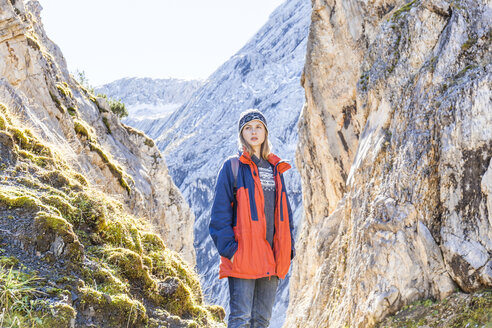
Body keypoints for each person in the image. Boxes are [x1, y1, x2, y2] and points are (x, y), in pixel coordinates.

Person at [209, 109, 295, 328]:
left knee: (261, 321)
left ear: (265, 132)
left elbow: (285, 213)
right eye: (248, 128)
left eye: (258, 127)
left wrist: (288, 247)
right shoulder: (233, 167)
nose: (253, 132)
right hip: (243, 255)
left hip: (272, 256)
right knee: (240, 318)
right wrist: (230, 250)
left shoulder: (276, 169)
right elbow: (219, 215)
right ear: (241, 134)